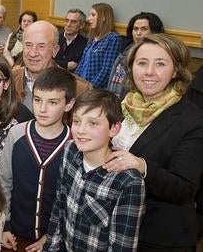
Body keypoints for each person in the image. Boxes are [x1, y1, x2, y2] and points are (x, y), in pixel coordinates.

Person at [105, 33, 203, 250]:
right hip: (114, 224)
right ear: (131, 68)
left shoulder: (193, 119)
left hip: (158, 235)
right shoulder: (123, 104)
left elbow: (184, 189)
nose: (149, 72)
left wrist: (142, 166)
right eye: (142, 63)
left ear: (176, 70)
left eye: (160, 64)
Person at [45, 89, 145, 251]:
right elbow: (59, 208)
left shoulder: (128, 181)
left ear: (114, 129)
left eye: (93, 123)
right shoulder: (69, 150)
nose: (81, 130)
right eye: (77, 121)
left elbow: (122, 245)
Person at [0, 66, 76, 251]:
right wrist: (4, 225)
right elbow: (3, 182)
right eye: (38, 100)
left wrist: (51, 236)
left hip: (54, 240)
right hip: (14, 234)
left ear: (69, 104)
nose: (42, 109)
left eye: (53, 102)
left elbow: (71, 200)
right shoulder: (16, 134)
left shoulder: (75, 144)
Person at [12, 20, 92, 113]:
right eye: (28, 45)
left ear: (55, 50)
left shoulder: (79, 89)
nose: (33, 53)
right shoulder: (8, 80)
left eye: (41, 46)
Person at [107, 12, 164, 99]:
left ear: (154, 32)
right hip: (113, 102)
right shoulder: (126, 50)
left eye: (144, 29)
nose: (138, 33)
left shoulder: (159, 55)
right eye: (135, 29)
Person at [75, 3, 121, 89]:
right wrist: (75, 81)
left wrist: (89, 88)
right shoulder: (92, 38)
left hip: (95, 90)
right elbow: (81, 64)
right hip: (81, 85)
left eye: (93, 15)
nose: (88, 19)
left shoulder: (112, 39)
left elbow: (106, 71)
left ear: (103, 17)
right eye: (89, 15)